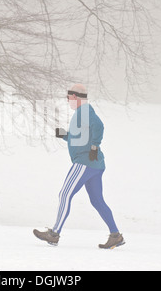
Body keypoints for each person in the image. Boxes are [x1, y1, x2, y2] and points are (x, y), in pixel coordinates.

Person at [33, 84, 124, 249]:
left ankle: (54, 235)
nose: (68, 101)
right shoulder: (81, 114)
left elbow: (99, 126)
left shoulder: (84, 111)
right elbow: (80, 139)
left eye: (68, 98)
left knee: (65, 194)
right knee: (97, 200)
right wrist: (65, 135)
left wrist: (95, 146)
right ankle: (115, 235)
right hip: (95, 164)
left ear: (74, 97)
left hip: (85, 162)